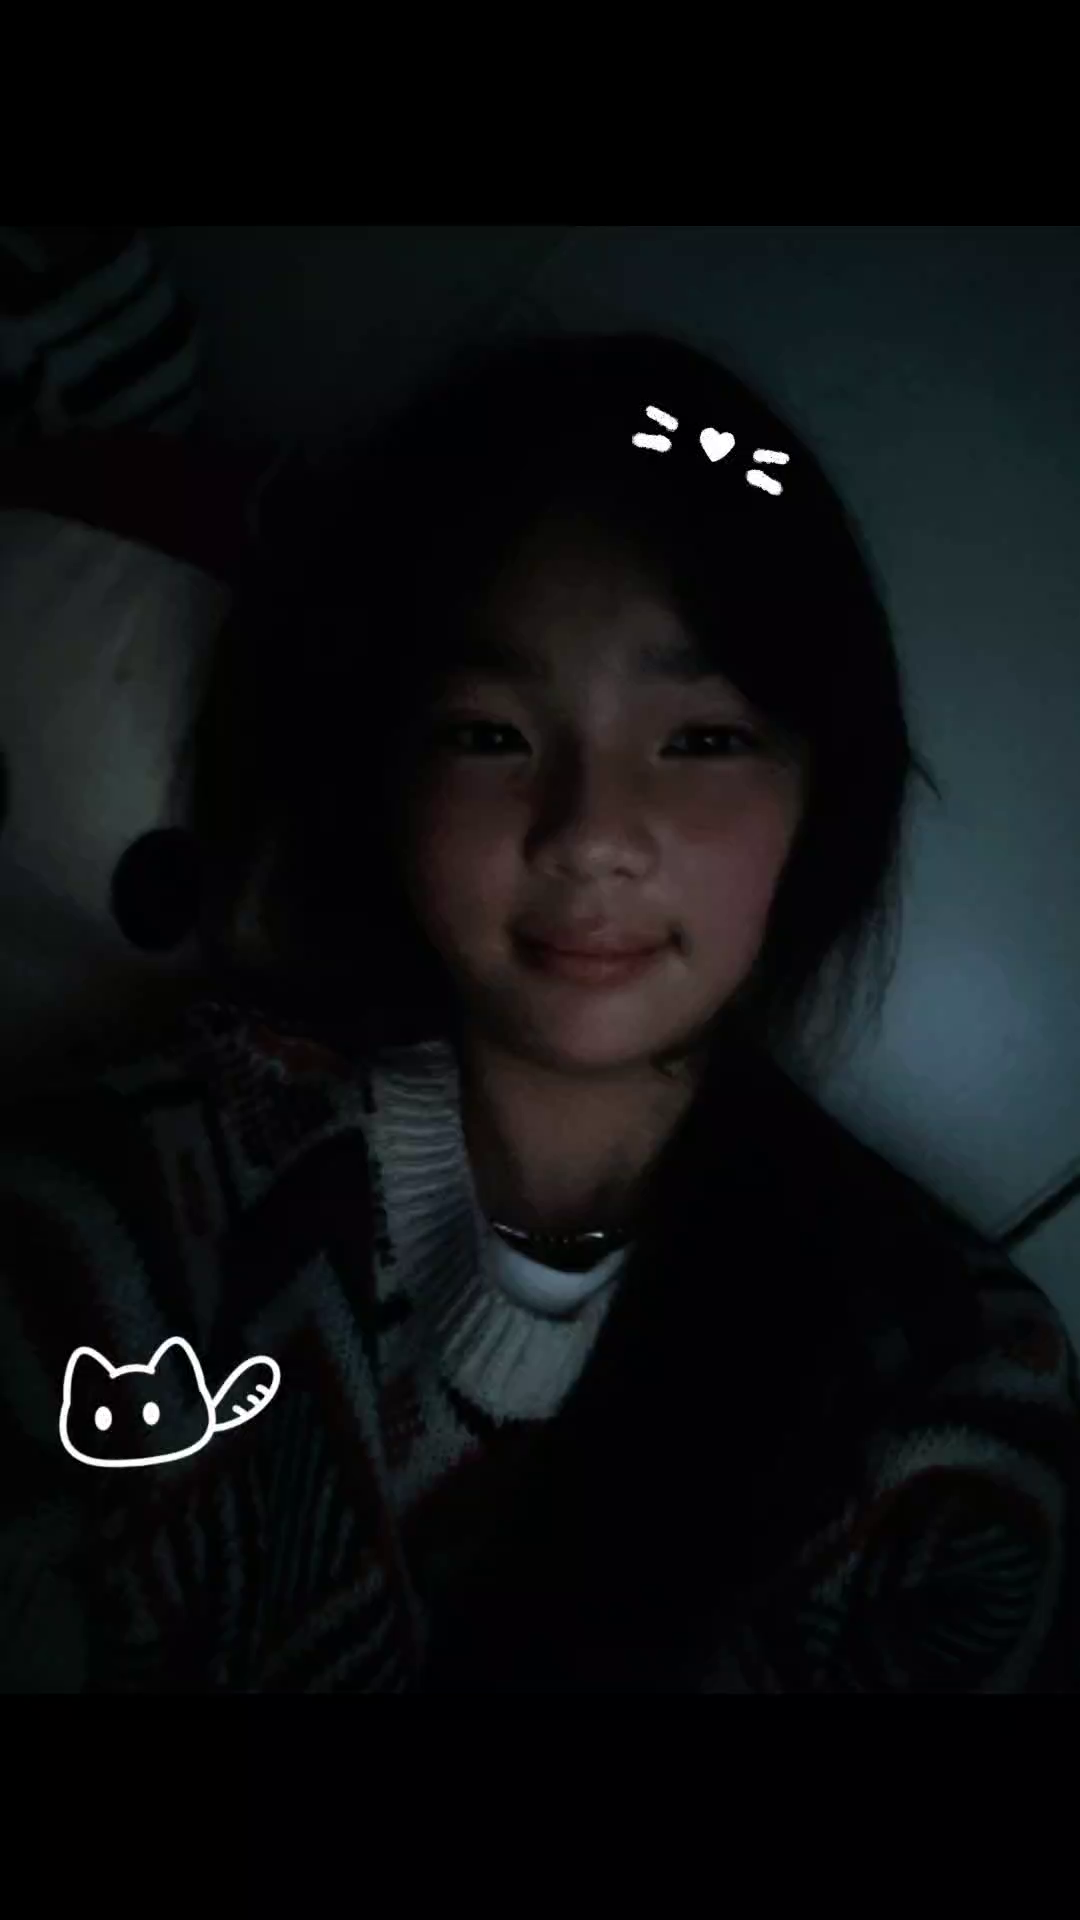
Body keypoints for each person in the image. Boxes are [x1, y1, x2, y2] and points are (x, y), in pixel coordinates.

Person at [1, 327, 1077, 1691]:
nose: (590, 833)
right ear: (386, 769)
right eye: (490, 733)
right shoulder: (127, 1216)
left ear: (824, 792)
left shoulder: (951, 1394)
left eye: (701, 739)